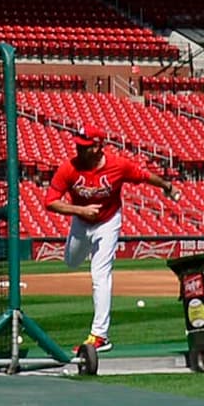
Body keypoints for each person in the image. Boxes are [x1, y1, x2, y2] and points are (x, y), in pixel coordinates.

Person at [50, 130, 168, 361]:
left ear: (97, 147)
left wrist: (167, 186)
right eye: (78, 145)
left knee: (100, 274)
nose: (79, 149)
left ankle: (100, 336)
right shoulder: (68, 168)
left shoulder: (118, 165)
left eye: (84, 146)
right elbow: (49, 201)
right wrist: (80, 210)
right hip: (81, 222)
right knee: (71, 261)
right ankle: (99, 334)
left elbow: (144, 176)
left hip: (108, 220)